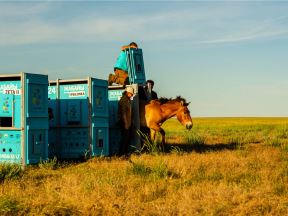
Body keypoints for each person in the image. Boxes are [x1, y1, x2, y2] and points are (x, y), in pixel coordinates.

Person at [118, 86, 134, 155]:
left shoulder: (128, 100)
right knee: (124, 139)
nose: (132, 95)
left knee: (128, 138)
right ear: (128, 93)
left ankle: (125, 153)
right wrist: (126, 124)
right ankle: (121, 153)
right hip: (124, 123)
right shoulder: (123, 100)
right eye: (131, 94)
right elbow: (123, 113)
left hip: (128, 122)